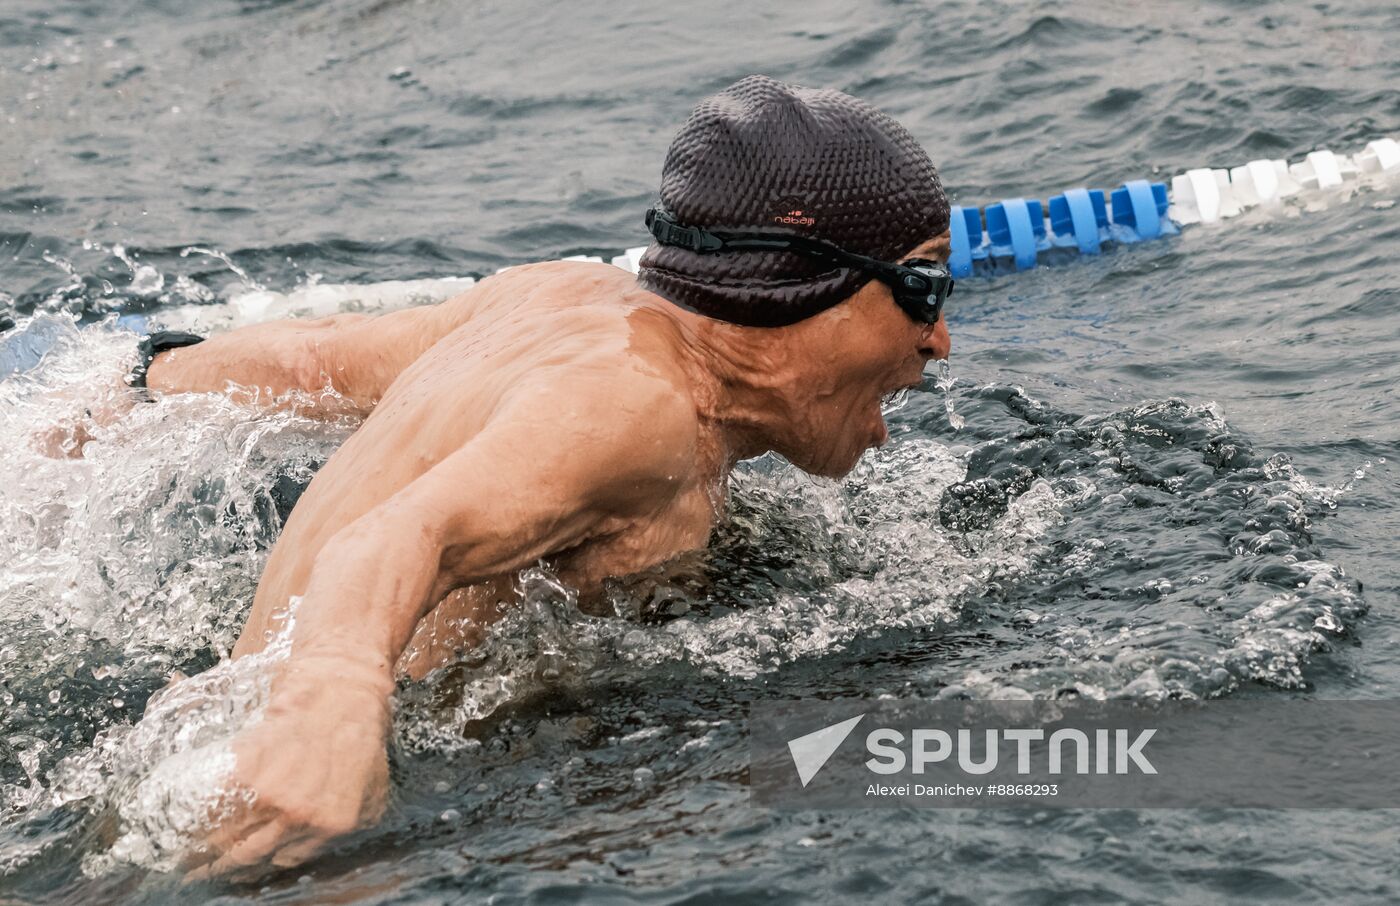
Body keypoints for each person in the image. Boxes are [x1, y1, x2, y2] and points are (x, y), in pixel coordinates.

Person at [131, 74, 953, 877]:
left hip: (208, 762)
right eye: (923, 285)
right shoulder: (639, 409)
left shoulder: (563, 296)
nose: (939, 339)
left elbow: (314, 362)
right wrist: (329, 708)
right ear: (806, 283)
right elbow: (397, 536)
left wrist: (137, 380)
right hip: (288, 831)